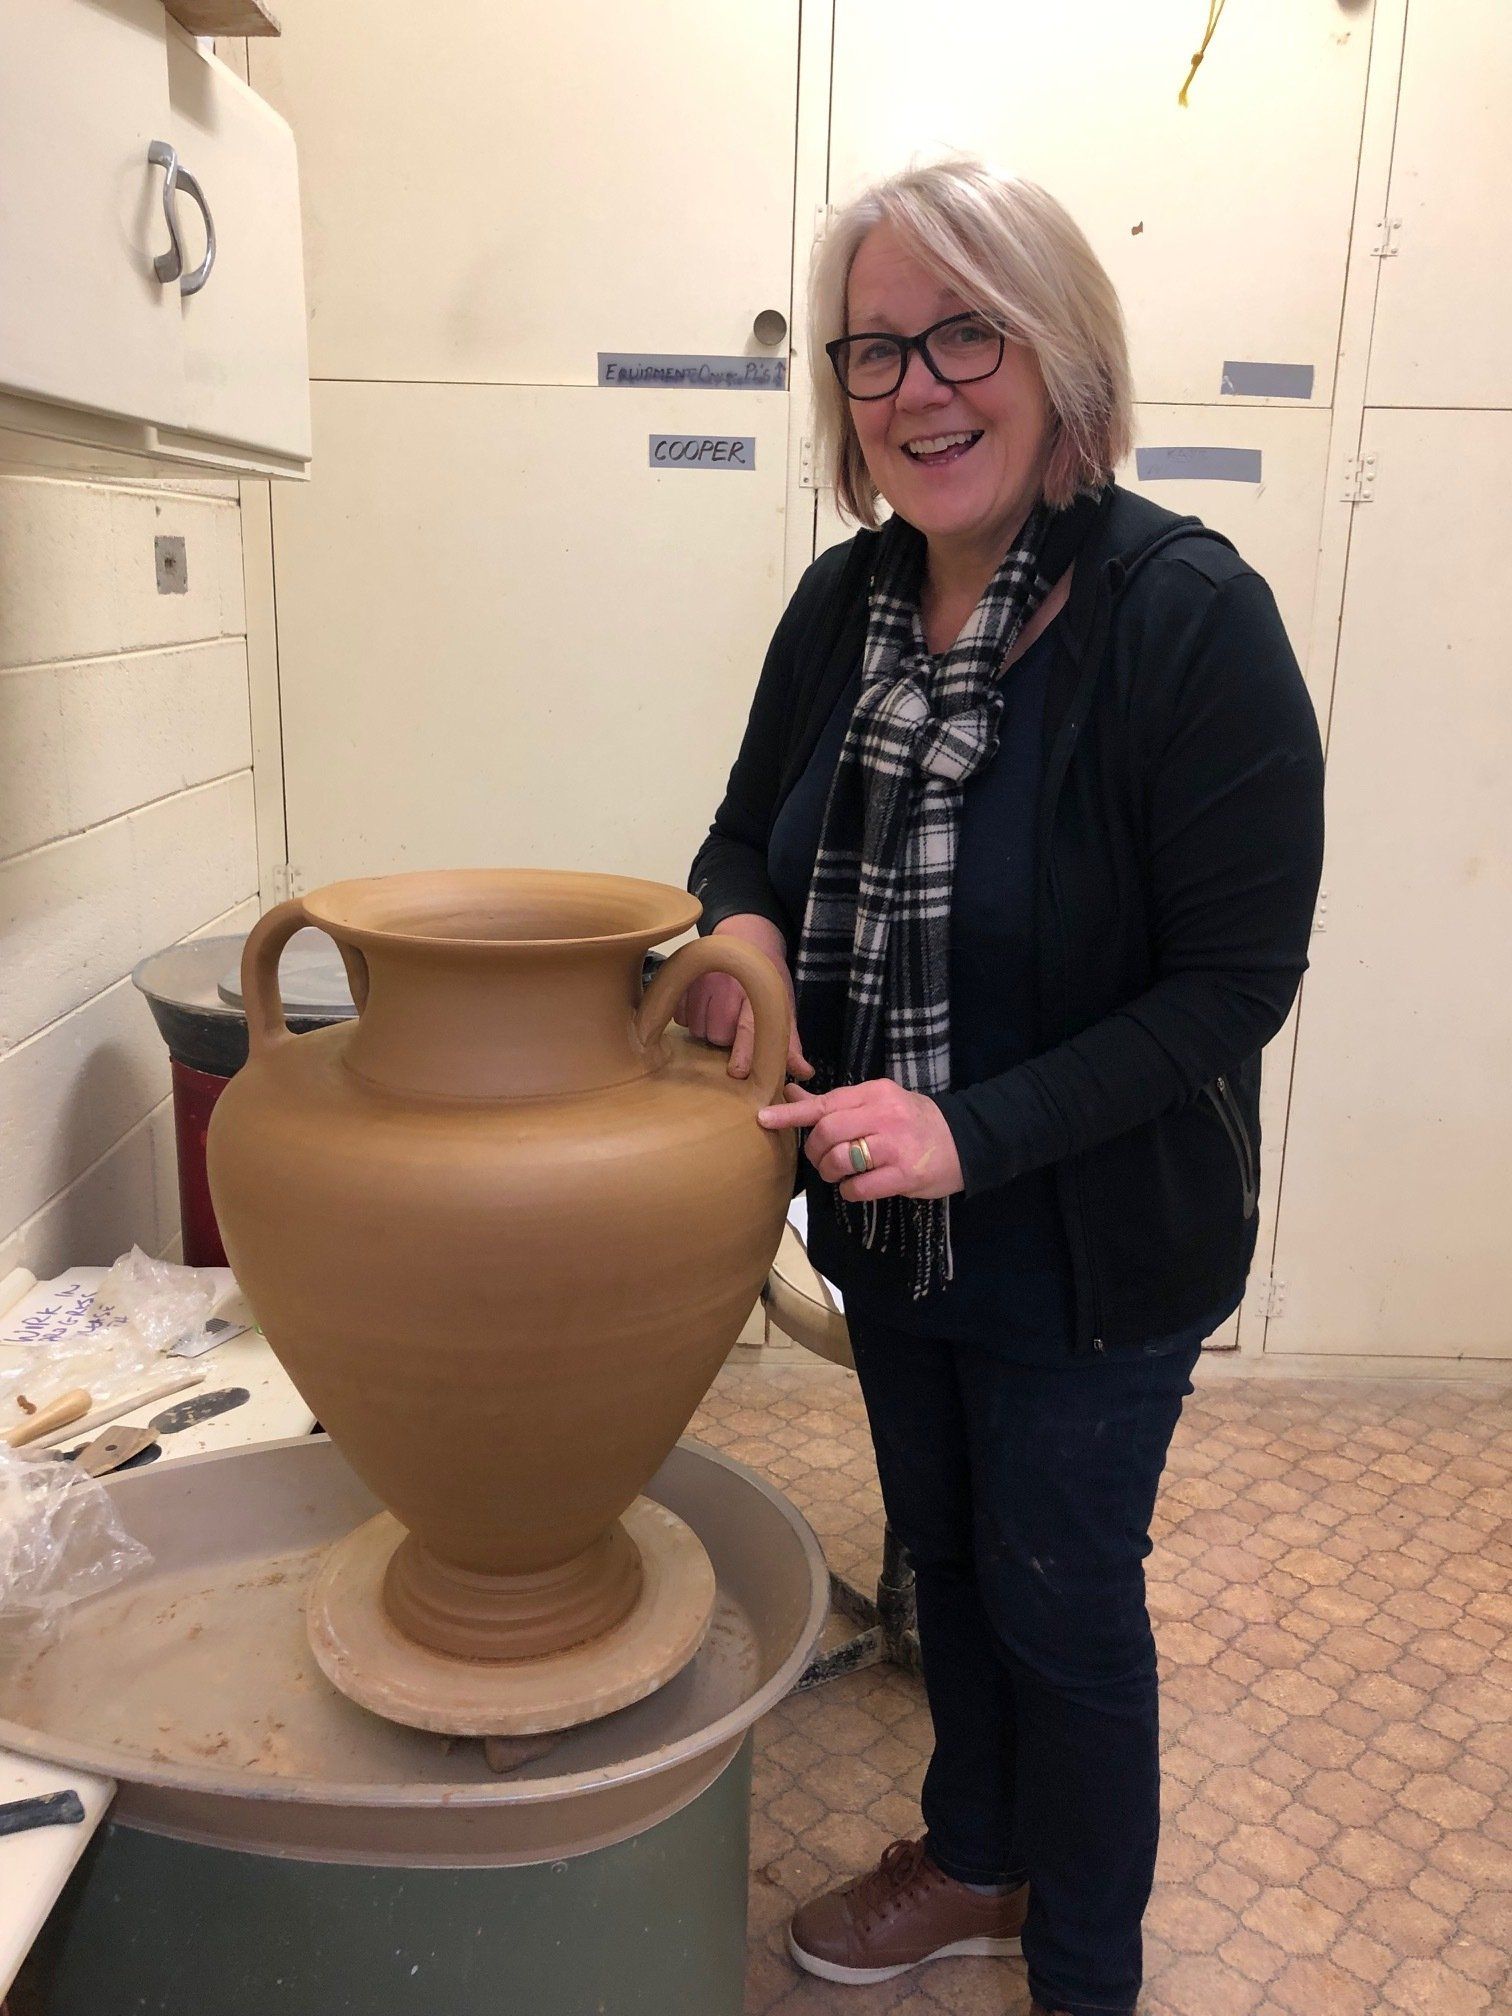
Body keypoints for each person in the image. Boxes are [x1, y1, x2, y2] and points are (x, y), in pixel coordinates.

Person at [678, 159, 1325, 2016]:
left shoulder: (1185, 616)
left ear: (1057, 359)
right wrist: (749, 944)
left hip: (1097, 1247)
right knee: (945, 1567)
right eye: (875, 350)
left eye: (967, 331)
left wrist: (976, 1127)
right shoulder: (847, 605)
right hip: (893, 1223)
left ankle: (1089, 1963)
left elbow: (1234, 983)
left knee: (1060, 1596)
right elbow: (742, 836)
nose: (920, 388)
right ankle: (973, 1862)